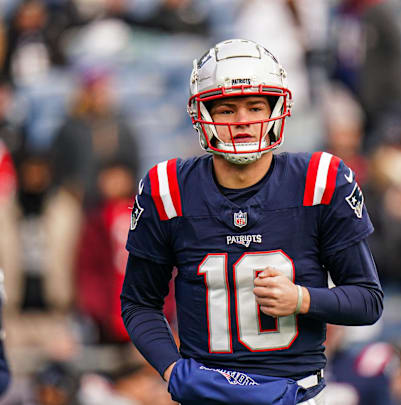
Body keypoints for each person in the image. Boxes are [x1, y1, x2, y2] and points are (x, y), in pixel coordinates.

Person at [120, 38, 383, 405]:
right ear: (203, 114)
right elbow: (138, 303)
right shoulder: (168, 189)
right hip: (208, 394)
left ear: (278, 108)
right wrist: (173, 370)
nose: (242, 122)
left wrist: (302, 298)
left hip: (299, 392)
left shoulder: (320, 181)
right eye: (227, 109)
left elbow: (368, 300)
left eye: (255, 106)